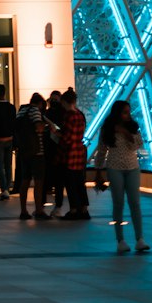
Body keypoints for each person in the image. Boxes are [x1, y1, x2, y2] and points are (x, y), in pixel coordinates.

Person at [93, 99, 148, 252]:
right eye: (124, 112)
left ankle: (140, 238)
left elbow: (137, 145)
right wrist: (98, 170)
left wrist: (125, 132)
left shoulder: (132, 127)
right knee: (118, 203)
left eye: (128, 112)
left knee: (135, 203)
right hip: (114, 167)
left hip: (132, 167)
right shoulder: (107, 129)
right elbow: (102, 149)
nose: (127, 115)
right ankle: (120, 240)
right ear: (117, 113)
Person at [15, 92, 50, 219]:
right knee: (39, 182)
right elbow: (38, 127)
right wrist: (48, 125)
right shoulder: (35, 111)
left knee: (24, 181)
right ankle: (39, 210)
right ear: (40, 103)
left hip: (24, 152)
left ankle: (23, 211)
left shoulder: (21, 111)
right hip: (37, 152)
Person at [58, 88, 90, 220]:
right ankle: (84, 209)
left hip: (70, 153)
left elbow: (67, 137)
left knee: (70, 183)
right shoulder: (80, 114)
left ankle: (73, 209)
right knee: (80, 182)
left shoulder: (68, 116)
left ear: (65, 102)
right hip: (80, 152)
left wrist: (57, 134)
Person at [45, 89, 66, 214]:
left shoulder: (61, 114)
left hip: (59, 148)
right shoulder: (50, 113)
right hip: (51, 147)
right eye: (52, 100)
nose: (53, 102)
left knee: (59, 178)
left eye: (55, 100)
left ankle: (58, 204)